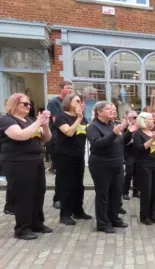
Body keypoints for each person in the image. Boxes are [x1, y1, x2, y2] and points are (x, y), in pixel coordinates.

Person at [0, 93, 52, 240]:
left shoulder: (29, 120)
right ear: (14, 104)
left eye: (29, 104)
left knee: (38, 192)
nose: (28, 107)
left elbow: (46, 138)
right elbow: (20, 135)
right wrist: (38, 122)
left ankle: (37, 223)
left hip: (35, 160)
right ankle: (22, 228)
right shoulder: (7, 120)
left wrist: (45, 125)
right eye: (25, 104)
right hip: (17, 162)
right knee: (24, 195)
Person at [87, 101, 130, 233]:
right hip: (101, 165)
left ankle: (114, 218)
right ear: (99, 112)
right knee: (103, 195)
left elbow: (122, 142)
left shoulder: (114, 124)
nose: (113, 111)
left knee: (116, 193)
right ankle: (103, 223)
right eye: (108, 109)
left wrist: (129, 132)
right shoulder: (93, 127)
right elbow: (97, 144)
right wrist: (114, 134)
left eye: (113, 109)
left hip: (117, 164)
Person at [54, 94, 91, 225]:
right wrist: (79, 118)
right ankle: (65, 214)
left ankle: (78, 211)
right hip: (64, 155)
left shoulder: (82, 118)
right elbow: (68, 132)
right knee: (67, 185)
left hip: (78, 154)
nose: (81, 103)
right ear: (68, 102)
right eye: (77, 101)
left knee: (78, 185)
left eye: (82, 101)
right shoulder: (61, 117)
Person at [133, 112, 155, 225]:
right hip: (144, 165)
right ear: (143, 120)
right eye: (151, 119)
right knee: (146, 191)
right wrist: (152, 139)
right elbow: (140, 148)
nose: (153, 121)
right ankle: (144, 215)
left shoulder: (153, 132)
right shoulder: (137, 133)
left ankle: (153, 213)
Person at [47, 81, 73, 209]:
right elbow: (56, 120)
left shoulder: (71, 104)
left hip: (71, 142)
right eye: (68, 88)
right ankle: (58, 199)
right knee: (61, 172)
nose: (70, 90)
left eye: (71, 88)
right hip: (58, 140)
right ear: (61, 89)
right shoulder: (54, 103)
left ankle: (70, 198)